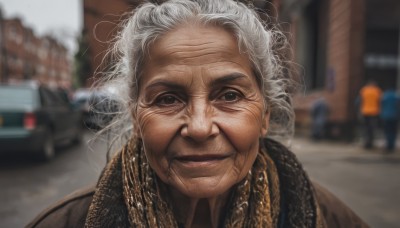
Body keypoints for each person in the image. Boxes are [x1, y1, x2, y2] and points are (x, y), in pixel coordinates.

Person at [27, 0, 368, 227]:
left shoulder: (324, 215)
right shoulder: (69, 221)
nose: (200, 127)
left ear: (265, 113)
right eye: (167, 99)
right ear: (135, 117)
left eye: (230, 95)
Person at [358, 80, 382, 149]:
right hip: (374, 112)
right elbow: (380, 101)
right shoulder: (377, 90)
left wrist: (359, 112)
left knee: (365, 128)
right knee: (372, 128)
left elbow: (360, 101)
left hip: (365, 111)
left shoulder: (364, 90)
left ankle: (366, 142)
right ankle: (370, 142)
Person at [380, 88, 400, 152]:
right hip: (394, 116)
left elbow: (381, 104)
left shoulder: (384, 96)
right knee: (393, 131)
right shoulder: (396, 96)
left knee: (387, 131)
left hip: (386, 116)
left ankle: (388, 144)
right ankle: (392, 144)